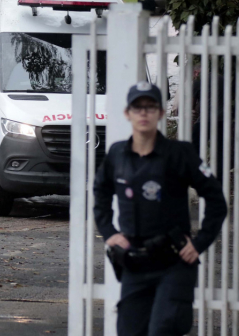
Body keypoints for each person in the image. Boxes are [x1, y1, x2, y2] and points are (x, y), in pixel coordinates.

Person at [94, 81, 227, 336]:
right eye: (137, 107)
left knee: (162, 330)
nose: (143, 112)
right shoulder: (117, 154)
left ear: (161, 113)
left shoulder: (181, 154)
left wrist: (199, 243)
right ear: (127, 113)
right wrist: (110, 232)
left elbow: (216, 199)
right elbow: (100, 192)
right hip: (134, 263)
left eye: (150, 106)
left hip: (174, 264)